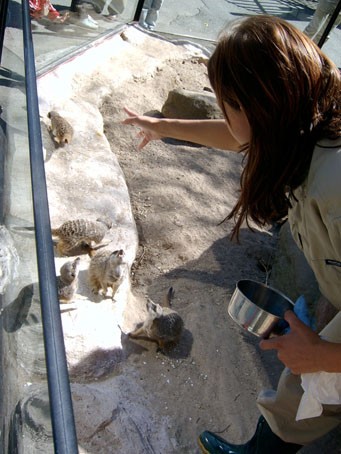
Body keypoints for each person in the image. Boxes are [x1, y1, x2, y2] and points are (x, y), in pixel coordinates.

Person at [122, 15, 341, 453]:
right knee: (303, 374)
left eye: (226, 104)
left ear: (257, 108)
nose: (224, 115)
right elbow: (238, 136)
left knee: (313, 366)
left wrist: (324, 356)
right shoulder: (302, 128)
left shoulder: (334, 188)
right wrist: (163, 126)